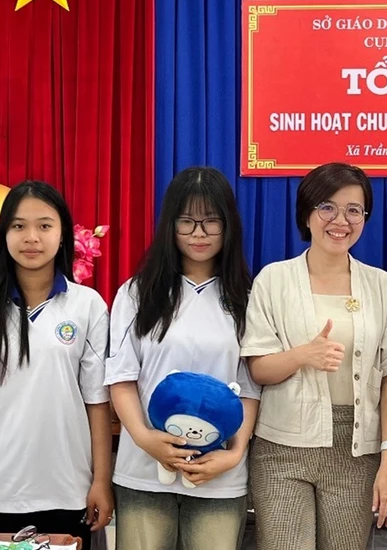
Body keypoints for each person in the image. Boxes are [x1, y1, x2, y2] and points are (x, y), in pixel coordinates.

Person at [241, 162, 387, 550]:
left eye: (354, 210)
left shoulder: (383, 286)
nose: (341, 221)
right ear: (306, 214)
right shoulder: (273, 280)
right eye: (327, 207)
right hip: (282, 448)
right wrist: (303, 355)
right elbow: (258, 368)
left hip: (357, 450)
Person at [0, 181, 113, 549]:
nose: (31, 237)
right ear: (3, 234)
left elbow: (97, 403)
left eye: (44, 226)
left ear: (63, 234)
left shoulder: (88, 305)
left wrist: (101, 481)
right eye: (18, 226)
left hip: (67, 491)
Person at [107, 167, 260, 550]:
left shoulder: (247, 298)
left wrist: (234, 454)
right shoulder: (137, 294)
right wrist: (145, 439)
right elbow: (121, 378)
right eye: (187, 221)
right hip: (145, 470)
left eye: (211, 222)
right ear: (169, 225)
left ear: (228, 226)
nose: (198, 233)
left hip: (219, 476)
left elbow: (250, 387)